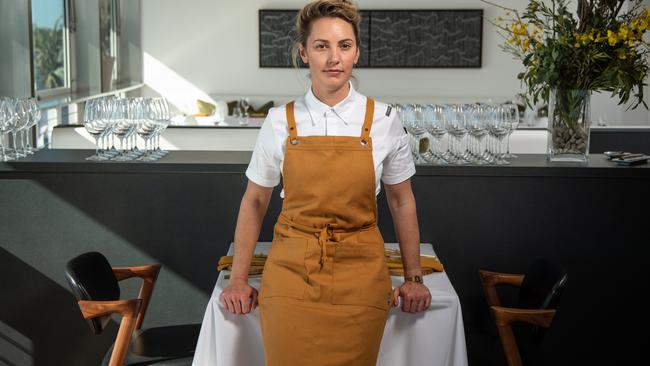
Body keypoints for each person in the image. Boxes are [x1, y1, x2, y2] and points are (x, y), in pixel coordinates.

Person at [219, 1, 431, 364]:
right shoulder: (278, 121)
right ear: (304, 53)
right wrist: (238, 278)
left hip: (362, 273)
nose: (334, 58)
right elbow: (254, 201)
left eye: (344, 46)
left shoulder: (384, 119)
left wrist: (414, 277)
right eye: (322, 46)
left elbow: (402, 201)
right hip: (290, 272)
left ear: (357, 52)